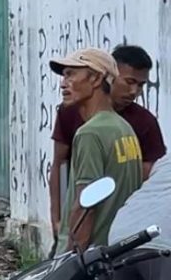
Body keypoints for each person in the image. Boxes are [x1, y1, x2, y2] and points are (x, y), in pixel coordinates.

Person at [49, 44, 165, 240]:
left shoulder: (141, 123)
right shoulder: (71, 113)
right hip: (91, 237)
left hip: (108, 237)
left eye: (140, 85)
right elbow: (59, 165)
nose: (134, 91)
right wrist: (57, 221)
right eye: (129, 82)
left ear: (97, 79)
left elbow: (144, 183)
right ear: (111, 76)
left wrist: (75, 250)